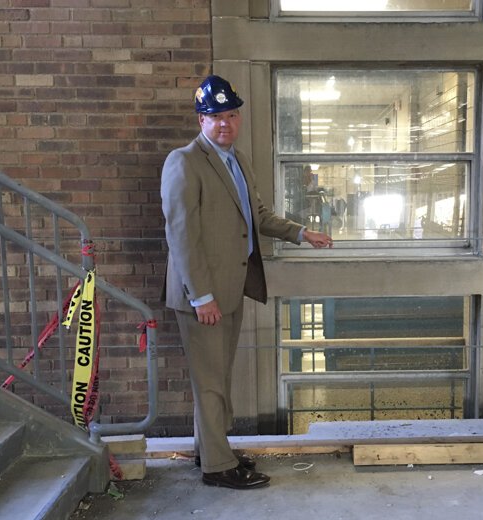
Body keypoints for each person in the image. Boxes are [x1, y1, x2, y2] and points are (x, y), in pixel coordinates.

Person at [161, 75, 333, 490]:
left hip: (231, 288)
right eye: (215, 116)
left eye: (231, 114)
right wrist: (201, 296)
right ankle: (218, 469)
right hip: (203, 296)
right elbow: (181, 235)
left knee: (217, 378)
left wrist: (299, 233)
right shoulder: (184, 162)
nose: (225, 123)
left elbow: (257, 215)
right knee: (210, 382)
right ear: (201, 120)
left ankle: (211, 450)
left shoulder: (237, 161)